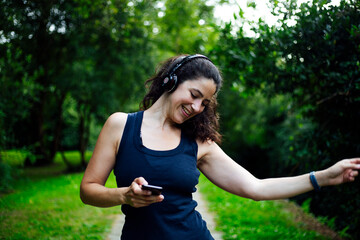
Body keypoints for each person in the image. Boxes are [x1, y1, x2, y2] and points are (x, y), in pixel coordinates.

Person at [80, 54, 360, 239]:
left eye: (205, 103)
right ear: (171, 81)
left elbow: (257, 188)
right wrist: (124, 196)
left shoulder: (200, 143)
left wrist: (323, 177)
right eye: (194, 95)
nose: (197, 108)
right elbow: (88, 190)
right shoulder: (120, 125)